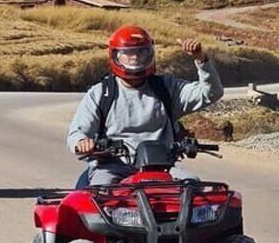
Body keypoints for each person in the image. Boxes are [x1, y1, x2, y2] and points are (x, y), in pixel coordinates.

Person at [67, 25, 224, 186]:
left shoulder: (166, 88)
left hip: (160, 168)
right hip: (113, 167)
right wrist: (82, 142)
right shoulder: (101, 93)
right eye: (127, 53)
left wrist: (200, 59)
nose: (134, 58)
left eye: (141, 52)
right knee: (99, 193)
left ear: (150, 54)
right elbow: (77, 131)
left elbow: (211, 93)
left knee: (192, 186)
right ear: (115, 56)